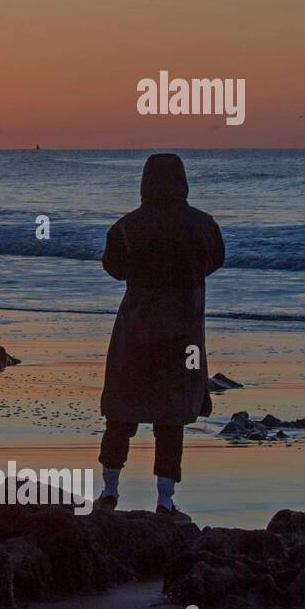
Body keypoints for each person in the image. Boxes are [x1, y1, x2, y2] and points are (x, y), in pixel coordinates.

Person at [98, 154, 224, 520]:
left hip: (136, 330)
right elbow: (215, 260)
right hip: (183, 332)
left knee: (121, 410)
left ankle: (109, 492)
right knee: (171, 418)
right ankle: (165, 501)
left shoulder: (126, 227)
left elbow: (114, 269)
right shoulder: (203, 225)